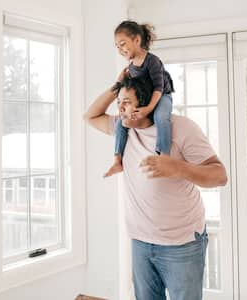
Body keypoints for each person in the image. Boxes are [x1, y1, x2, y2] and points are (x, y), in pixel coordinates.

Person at [84, 76, 228, 300]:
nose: (120, 109)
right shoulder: (124, 128)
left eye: (126, 102)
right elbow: (90, 116)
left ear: (146, 104)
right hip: (141, 242)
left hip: (182, 243)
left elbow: (219, 176)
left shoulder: (181, 128)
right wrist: (118, 86)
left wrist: (177, 168)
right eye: (118, 102)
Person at [104, 20, 174, 178]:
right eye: (117, 46)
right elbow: (128, 90)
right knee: (122, 121)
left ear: (137, 40)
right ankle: (117, 160)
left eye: (123, 44)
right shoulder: (131, 66)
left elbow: (158, 88)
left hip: (161, 95)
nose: (120, 49)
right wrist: (119, 80)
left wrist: (148, 108)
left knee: (161, 117)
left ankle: (164, 156)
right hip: (145, 98)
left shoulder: (152, 61)